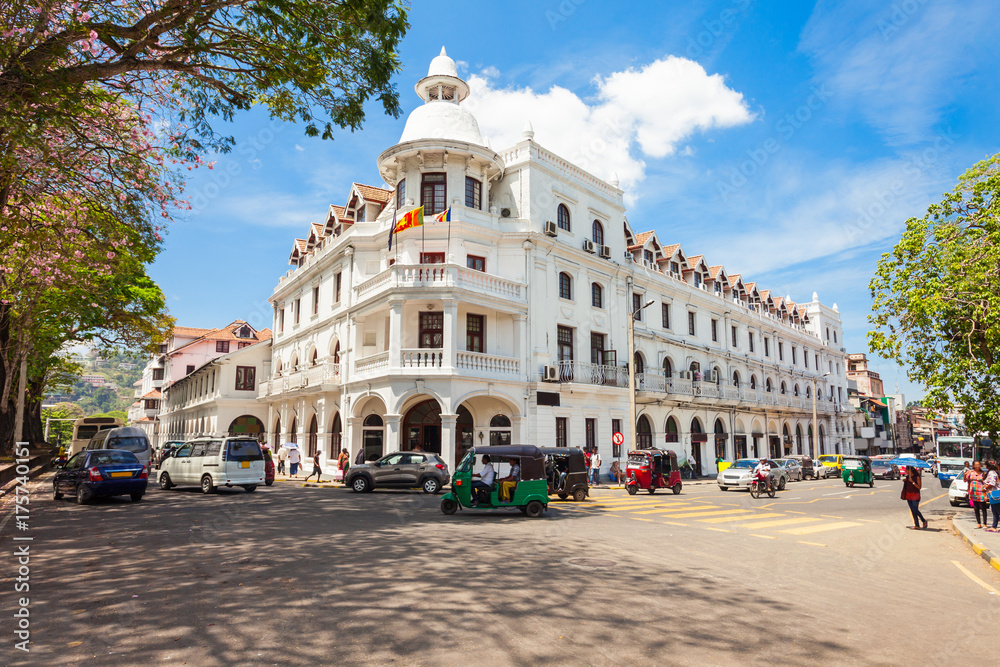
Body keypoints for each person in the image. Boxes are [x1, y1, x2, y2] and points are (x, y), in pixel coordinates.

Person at [966, 460, 989, 529]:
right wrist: (965, 474)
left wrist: (986, 493)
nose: (977, 466)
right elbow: (966, 480)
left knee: (983, 507)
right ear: (973, 466)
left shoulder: (983, 473)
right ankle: (978, 523)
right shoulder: (970, 473)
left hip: (982, 491)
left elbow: (986, 483)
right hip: (973, 492)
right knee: (976, 508)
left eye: (979, 465)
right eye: (976, 465)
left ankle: (984, 523)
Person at [984, 460, 1000, 533]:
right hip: (995, 494)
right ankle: (994, 526)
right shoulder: (996, 472)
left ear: (987, 466)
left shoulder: (991, 473)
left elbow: (992, 483)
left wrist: (985, 488)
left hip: (995, 494)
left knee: (997, 511)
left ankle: (994, 526)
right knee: (995, 511)